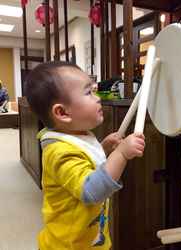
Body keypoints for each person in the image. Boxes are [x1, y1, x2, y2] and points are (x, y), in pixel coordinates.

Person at [25, 61, 145, 250]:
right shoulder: (60, 152)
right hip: (68, 246)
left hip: (91, 240)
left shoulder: (77, 134)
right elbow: (92, 191)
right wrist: (121, 154)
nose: (97, 98)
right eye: (88, 92)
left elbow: (87, 165)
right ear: (63, 113)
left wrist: (104, 149)